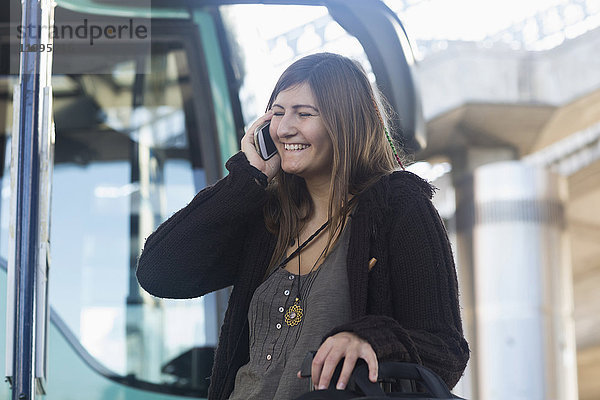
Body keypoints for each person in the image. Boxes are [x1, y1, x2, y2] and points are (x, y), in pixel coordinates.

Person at [136, 52, 469, 400]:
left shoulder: (398, 208)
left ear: (348, 122)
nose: (284, 128)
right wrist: (246, 179)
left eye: (304, 114)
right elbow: (160, 273)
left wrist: (369, 339)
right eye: (277, 113)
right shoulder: (268, 219)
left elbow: (446, 352)